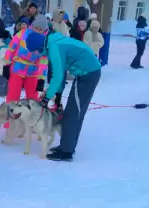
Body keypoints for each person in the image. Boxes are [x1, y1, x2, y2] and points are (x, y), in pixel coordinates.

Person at [35, 30, 101, 162]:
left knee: (73, 113)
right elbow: (62, 71)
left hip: (88, 74)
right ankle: (67, 146)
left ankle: (66, 151)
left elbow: (57, 76)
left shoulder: (54, 47)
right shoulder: (55, 42)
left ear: (39, 46)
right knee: (73, 112)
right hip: (86, 72)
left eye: (36, 51)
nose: (37, 54)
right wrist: (58, 94)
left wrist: (47, 98)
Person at [3, 15, 49, 128]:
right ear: (32, 26)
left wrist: (41, 79)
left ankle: (33, 122)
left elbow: (43, 61)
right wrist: (6, 64)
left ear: (45, 30)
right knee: (13, 95)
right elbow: (11, 48)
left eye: (41, 29)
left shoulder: (45, 41)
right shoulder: (23, 33)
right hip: (18, 67)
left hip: (33, 71)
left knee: (33, 97)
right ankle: (10, 122)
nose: (38, 31)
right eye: (36, 28)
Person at [0, 30, 12, 97]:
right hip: (3, 67)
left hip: (9, 67)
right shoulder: (2, 49)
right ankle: (0, 93)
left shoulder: (11, 48)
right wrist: (0, 64)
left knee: (8, 82)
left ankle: (6, 93)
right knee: (3, 81)